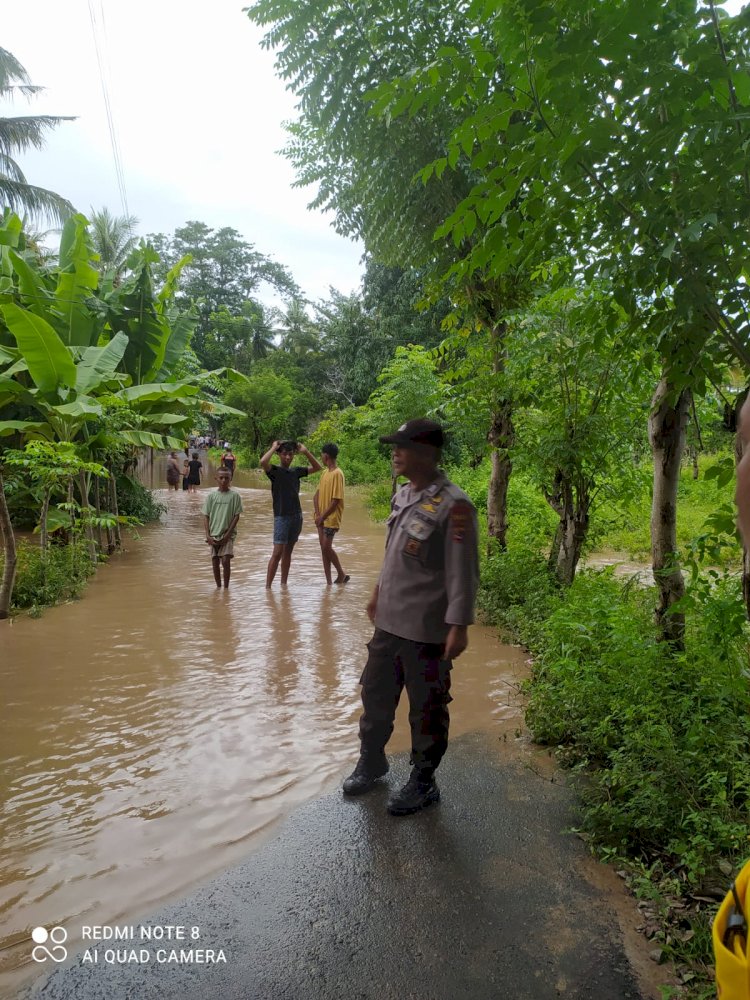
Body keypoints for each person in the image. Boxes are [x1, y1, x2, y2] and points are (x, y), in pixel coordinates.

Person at [342, 418, 479, 816]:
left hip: (426, 630)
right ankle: (372, 760)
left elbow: (463, 571)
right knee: (375, 694)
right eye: (394, 446)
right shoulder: (402, 495)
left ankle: (423, 780)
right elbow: (392, 555)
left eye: (403, 447)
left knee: (427, 707)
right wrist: (376, 592)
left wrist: (459, 625)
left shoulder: (455, 506)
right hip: (388, 621)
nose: (395, 453)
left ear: (427, 453)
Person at [260, 439, 322, 588]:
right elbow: (263, 462)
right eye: (285, 454)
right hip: (281, 516)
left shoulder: (296, 471)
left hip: (296, 516)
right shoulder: (274, 471)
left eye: (290, 454)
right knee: (277, 553)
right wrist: (273, 446)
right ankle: (268, 587)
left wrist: (306, 451)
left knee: (288, 552)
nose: (288, 457)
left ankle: (283, 585)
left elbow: (317, 467)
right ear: (279, 455)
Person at [313, 443, 349, 585]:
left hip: (331, 518)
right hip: (320, 518)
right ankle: (328, 582)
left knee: (326, 547)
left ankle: (341, 573)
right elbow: (316, 495)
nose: (321, 457)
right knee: (323, 549)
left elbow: (335, 501)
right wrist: (317, 514)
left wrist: (322, 516)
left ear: (326, 455)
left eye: (321, 454)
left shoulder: (337, 474)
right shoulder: (324, 473)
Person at [202, 468, 243, 589]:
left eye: (227, 478)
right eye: (221, 478)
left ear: (231, 479)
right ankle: (218, 587)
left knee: (225, 560)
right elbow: (206, 516)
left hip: (227, 535)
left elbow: (236, 516)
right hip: (213, 534)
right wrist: (208, 535)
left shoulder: (235, 496)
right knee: (215, 561)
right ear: (216, 479)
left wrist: (227, 535)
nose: (224, 480)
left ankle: (226, 588)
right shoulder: (211, 496)